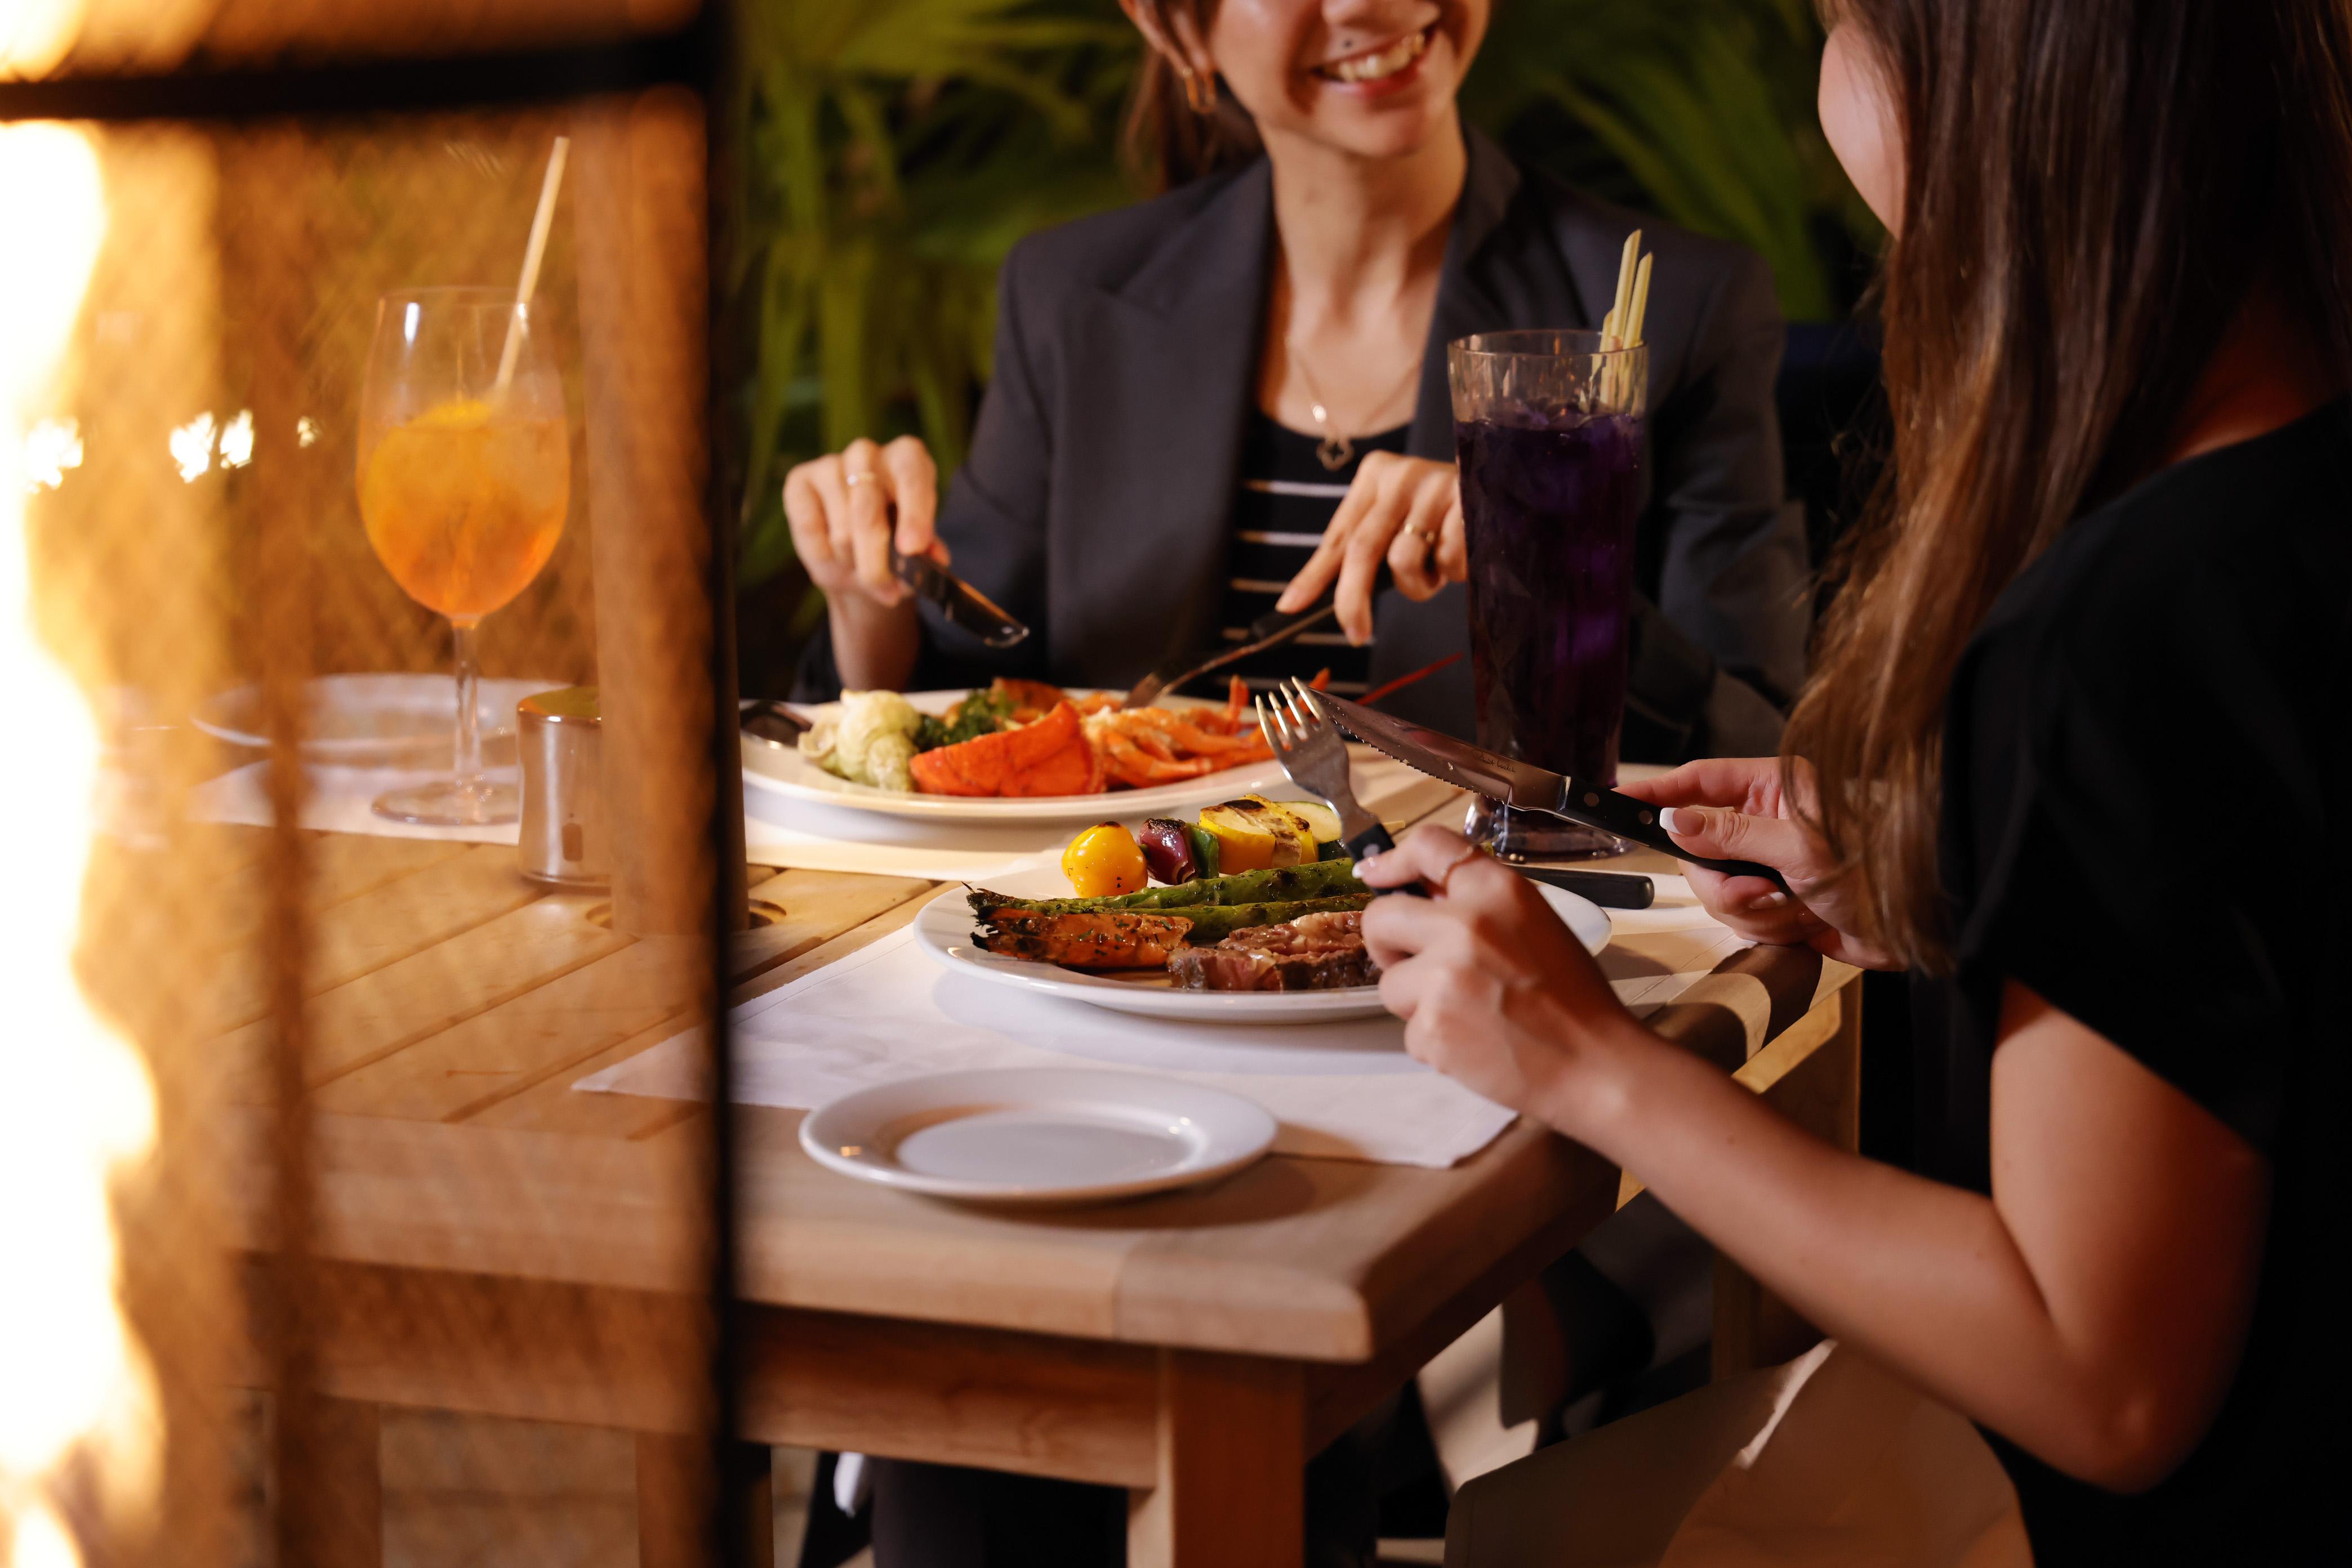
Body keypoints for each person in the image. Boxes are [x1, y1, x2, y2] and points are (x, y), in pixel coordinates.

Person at [1357, 0, 2352, 1561]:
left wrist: (1588, 1061)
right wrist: (1960, 874)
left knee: (1527, 1536)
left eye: (1839, 22)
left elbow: (2104, 1381)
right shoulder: (2288, 481)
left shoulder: (2119, 628)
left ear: (1988, 93)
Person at [783, 0, 1809, 764]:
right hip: (1114, 939)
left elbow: (1765, 757)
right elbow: (969, 704)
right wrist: (865, 593)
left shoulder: (1672, 310)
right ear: (1172, 27)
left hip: (1500, 947)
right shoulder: (1075, 298)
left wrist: (1540, 569)